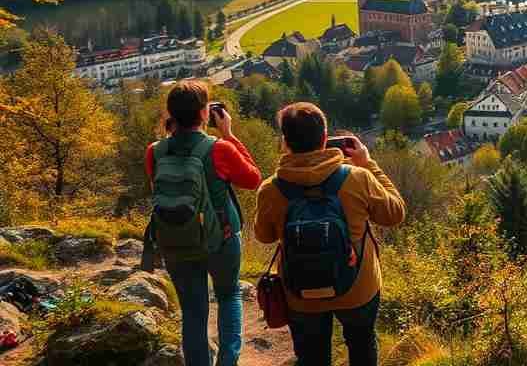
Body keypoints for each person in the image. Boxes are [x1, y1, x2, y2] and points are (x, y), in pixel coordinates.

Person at [255, 102, 405, 366]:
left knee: (312, 356)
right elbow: (395, 214)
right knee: (362, 345)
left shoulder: (271, 189)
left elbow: (264, 236)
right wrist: (368, 164)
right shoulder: (358, 177)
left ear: (285, 142)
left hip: (301, 293)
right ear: (325, 139)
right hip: (358, 286)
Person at [147, 81, 262, 366]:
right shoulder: (219, 149)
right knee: (228, 295)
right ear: (204, 113)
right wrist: (229, 133)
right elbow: (253, 179)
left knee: (193, 312)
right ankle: (228, 361)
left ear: (170, 113)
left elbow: (158, 188)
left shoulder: (155, 151)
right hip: (221, 237)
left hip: (176, 239)